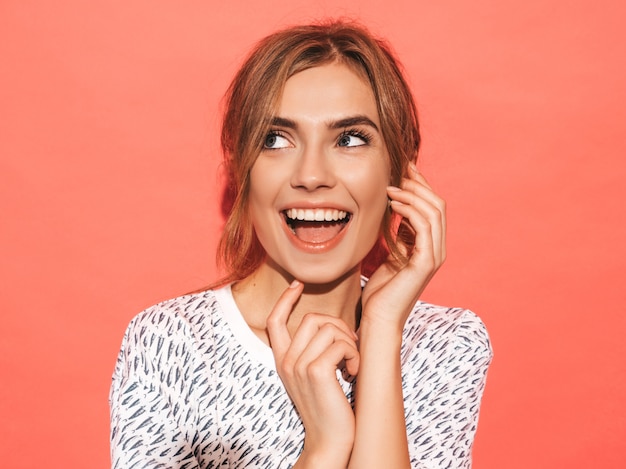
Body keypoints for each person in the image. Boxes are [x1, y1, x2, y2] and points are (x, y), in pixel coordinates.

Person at [110, 20, 492, 469]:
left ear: (400, 172)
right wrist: (324, 448)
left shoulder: (445, 346)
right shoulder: (169, 347)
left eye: (349, 139)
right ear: (241, 171)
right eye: (276, 140)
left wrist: (381, 331)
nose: (311, 175)